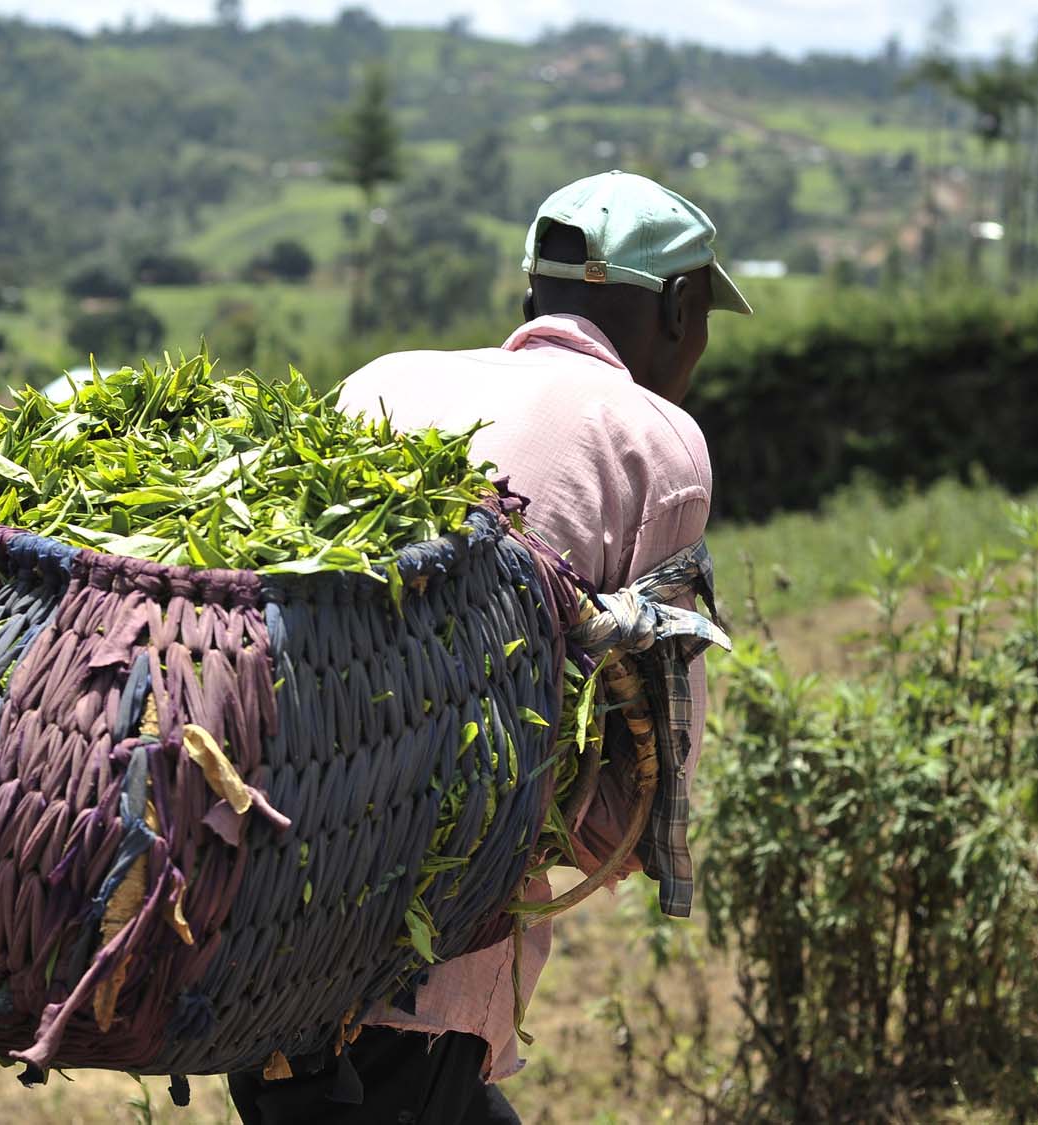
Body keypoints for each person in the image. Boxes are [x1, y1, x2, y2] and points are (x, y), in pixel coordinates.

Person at [226, 169, 749, 1125]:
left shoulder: (381, 379)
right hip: (428, 923)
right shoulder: (654, 437)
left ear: (527, 299)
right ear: (680, 309)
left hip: (262, 890)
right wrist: (579, 840)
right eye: (705, 316)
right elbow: (658, 735)